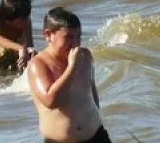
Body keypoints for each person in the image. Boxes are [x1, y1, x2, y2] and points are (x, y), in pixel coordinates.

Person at [27, 8, 108, 143]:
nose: (75, 43)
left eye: (78, 37)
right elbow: (51, 101)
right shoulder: (38, 64)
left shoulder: (85, 56)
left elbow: (91, 93)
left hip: (97, 136)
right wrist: (72, 67)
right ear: (48, 35)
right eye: (68, 37)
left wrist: (96, 119)